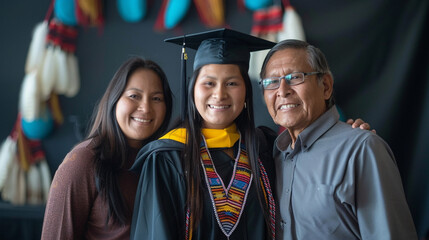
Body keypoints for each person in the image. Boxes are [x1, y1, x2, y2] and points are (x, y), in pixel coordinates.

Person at [259, 39, 417, 239]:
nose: (282, 90)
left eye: (295, 77)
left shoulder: (361, 150)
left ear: (325, 86)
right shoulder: (271, 157)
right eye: (271, 82)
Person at [130, 28, 277, 240]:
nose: (219, 94)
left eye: (232, 83)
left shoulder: (264, 147)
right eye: (209, 83)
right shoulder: (167, 156)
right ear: (193, 89)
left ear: (246, 90)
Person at [41, 57, 173, 239]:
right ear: (114, 99)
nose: (146, 108)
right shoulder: (83, 161)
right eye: (134, 96)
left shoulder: (163, 162)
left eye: (156, 98)